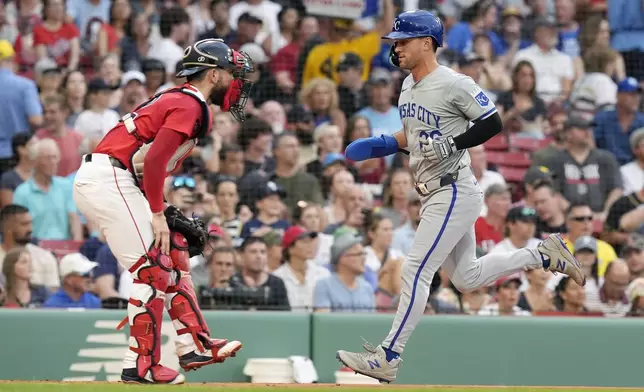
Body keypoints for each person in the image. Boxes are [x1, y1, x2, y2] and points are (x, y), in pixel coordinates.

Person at [336, 11, 585, 384]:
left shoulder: (453, 82)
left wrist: (453, 142)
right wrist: (385, 143)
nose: (396, 46)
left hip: (453, 187)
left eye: (403, 40)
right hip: (435, 191)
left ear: (427, 42)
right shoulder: (406, 86)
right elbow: (415, 134)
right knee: (466, 278)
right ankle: (543, 254)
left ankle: (389, 355)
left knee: (415, 269)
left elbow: (493, 121)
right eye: (395, 41)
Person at [71, 39, 254, 384]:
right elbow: (153, 161)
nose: (235, 80)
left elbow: (142, 161)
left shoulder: (181, 99)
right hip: (108, 178)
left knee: (174, 251)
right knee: (153, 271)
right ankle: (140, 365)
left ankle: (194, 344)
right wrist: (157, 212)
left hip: (115, 178)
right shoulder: (191, 104)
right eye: (231, 73)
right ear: (213, 75)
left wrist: (161, 208)